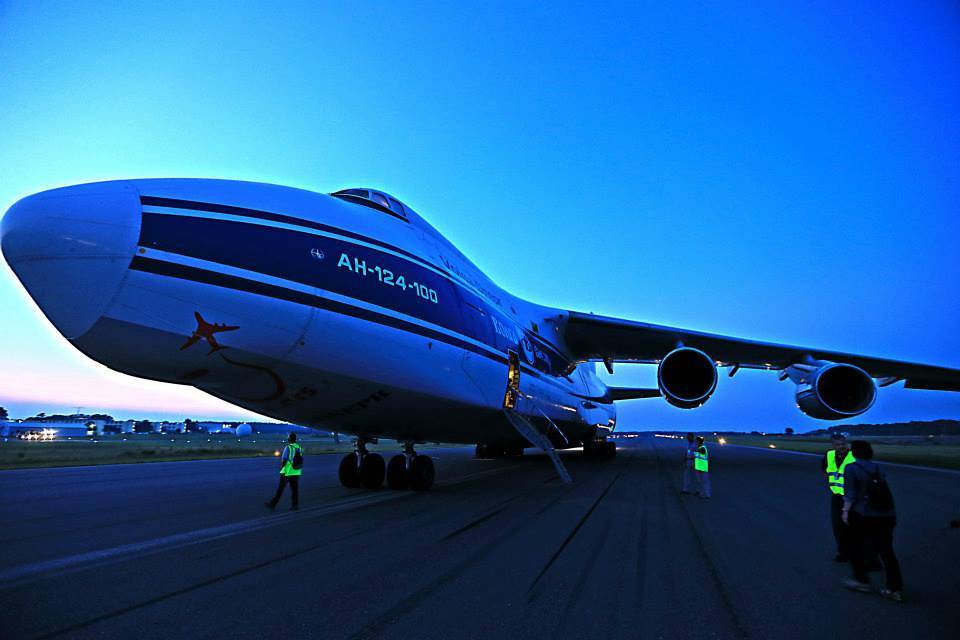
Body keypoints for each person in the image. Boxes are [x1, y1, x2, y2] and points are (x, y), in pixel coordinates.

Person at [842, 440, 904, 602]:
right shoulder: (878, 467)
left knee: (855, 547)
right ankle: (895, 588)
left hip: (863, 514)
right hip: (886, 514)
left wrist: (844, 512)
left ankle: (862, 581)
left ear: (853, 453)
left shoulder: (851, 468)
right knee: (887, 551)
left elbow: (850, 494)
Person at [822, 433, 855, 561]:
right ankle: (843, 552)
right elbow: (825, 471)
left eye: (843, 444)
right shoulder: (829, 455)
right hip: (837, 496)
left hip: (852, 495)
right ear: (833, 445)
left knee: (854, 526)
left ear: (846, 443)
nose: (841, 447)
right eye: (837, 445)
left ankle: (861, 553)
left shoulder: (853, 455)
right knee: (838, 526)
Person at [265, 433, 303, 511]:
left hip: (287, 472)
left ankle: (272, 504)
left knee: (280, 489)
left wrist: (282, 468)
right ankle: (295, 505)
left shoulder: (288, 447)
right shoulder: (299, 447)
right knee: (294, 490)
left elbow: (284, 459)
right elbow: (299, 459)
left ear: (289, 439)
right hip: (296, 472)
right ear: (295, 439)